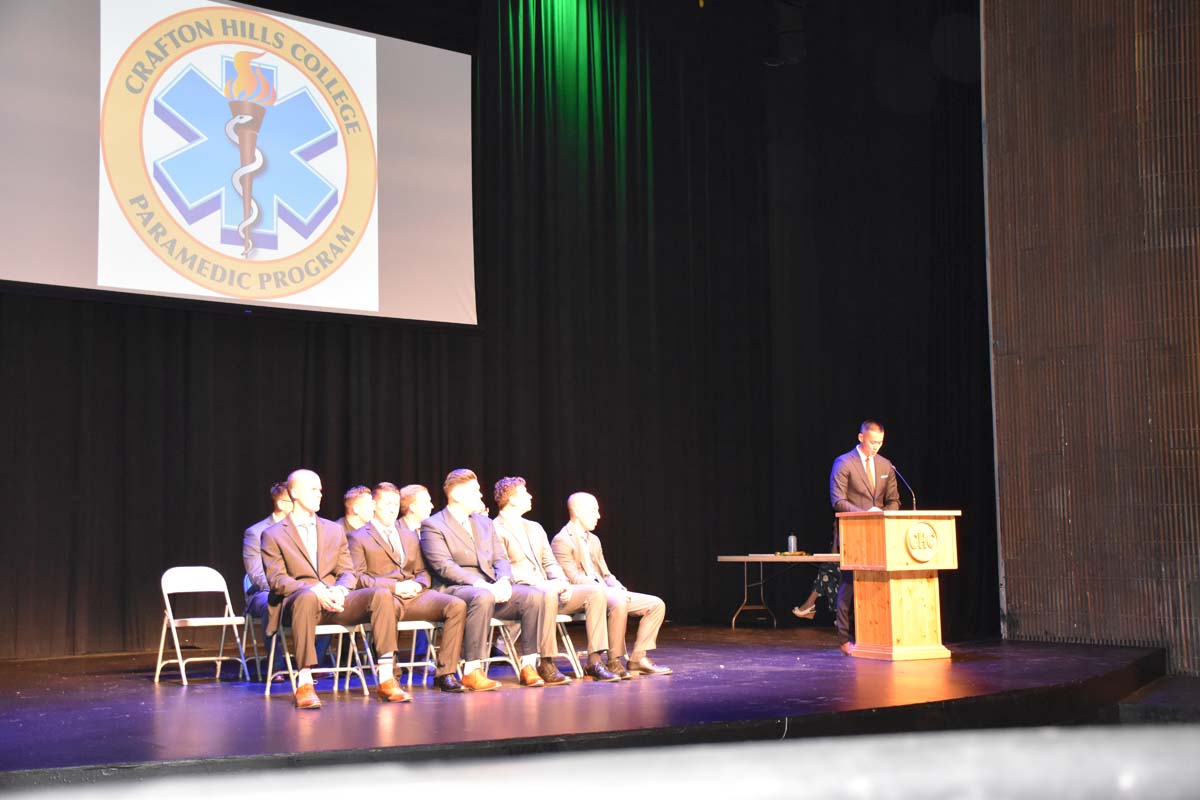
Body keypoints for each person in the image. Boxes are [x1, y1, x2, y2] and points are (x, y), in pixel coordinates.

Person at [260, 468, 409, 708]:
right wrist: (316, 590)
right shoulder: (273, 534)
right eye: (313, 489)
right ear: (294, 493)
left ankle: (386, 678)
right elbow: (277, 580)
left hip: (335, 599)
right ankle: (305, 682)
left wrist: (340, 590)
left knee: (381, 594)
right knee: (307, 598)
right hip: (298, 602)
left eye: (320, 489)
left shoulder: (333, 529)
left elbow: (348, 572)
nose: (320, 493)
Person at [420, 469, 567, 687]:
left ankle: (528, 665)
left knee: (534, 596)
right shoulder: (433, 524)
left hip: (490, 587)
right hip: (456, 589)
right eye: (475, 491)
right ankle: (472, 670)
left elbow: (500, 558)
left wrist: (504, 581)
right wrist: (481, 584)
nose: (481, 496)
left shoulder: (484, 523)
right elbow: (444, 566)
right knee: (482, 596)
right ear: (457, 495)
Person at [347, 482, 472, 693]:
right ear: (374, 505)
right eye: (386, 503)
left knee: (456, 605)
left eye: (395, 504)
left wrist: (417, 584)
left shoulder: (408, 534)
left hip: (414, 596)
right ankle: (391, 676)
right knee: (385, 605)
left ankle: (445, 673)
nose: (392, 508)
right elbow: (358, 578)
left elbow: (423, 571)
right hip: (387, 597)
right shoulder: (358, 537)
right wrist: (395, 587)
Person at [492, 477, 620, 682]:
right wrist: (545, 585)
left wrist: (561, 581)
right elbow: (503, 569)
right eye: (525, 493)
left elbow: (550, 563)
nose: (531, 496)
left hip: (549, 590)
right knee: (548, 592)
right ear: (512, 499)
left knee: (595, 592)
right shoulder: (495, 529)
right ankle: (546, 663)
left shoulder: (535, 528)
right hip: (522, 593)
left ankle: (594, 661)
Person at [551, 492, 671, 677]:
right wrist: (608, 591)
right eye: (593, 511)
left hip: (606, 592)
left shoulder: (594, 540)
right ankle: (614, 660)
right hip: (585, 596)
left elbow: (605, 573)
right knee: (618, 600)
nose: (598, 516)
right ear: (577, 511)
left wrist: (617, 586)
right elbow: (574, 578)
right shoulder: (562, 540)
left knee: (656, 604)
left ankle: (638, 658)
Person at [830, 420, 900, 655]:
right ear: (861, 438)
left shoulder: (886, 465)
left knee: (879, 586)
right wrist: (865, 513)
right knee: (848, 586)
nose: (876, 447)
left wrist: (885, 515)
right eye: (872, 442)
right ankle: (843, 639)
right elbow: (837, 500)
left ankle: (876, 636)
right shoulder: (844, 462)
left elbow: (893, 500)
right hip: (854, 534)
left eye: (880, 443)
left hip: (880, 535)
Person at [243, 481, 292, 622]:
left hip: (300, 589)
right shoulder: (256, 533)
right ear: (282, 504)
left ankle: (315, 646)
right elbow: (257, 575)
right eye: (294, 502)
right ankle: (273, 645)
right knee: (272, 605)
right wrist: (288, 589)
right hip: (266, 591)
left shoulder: (304, 530)